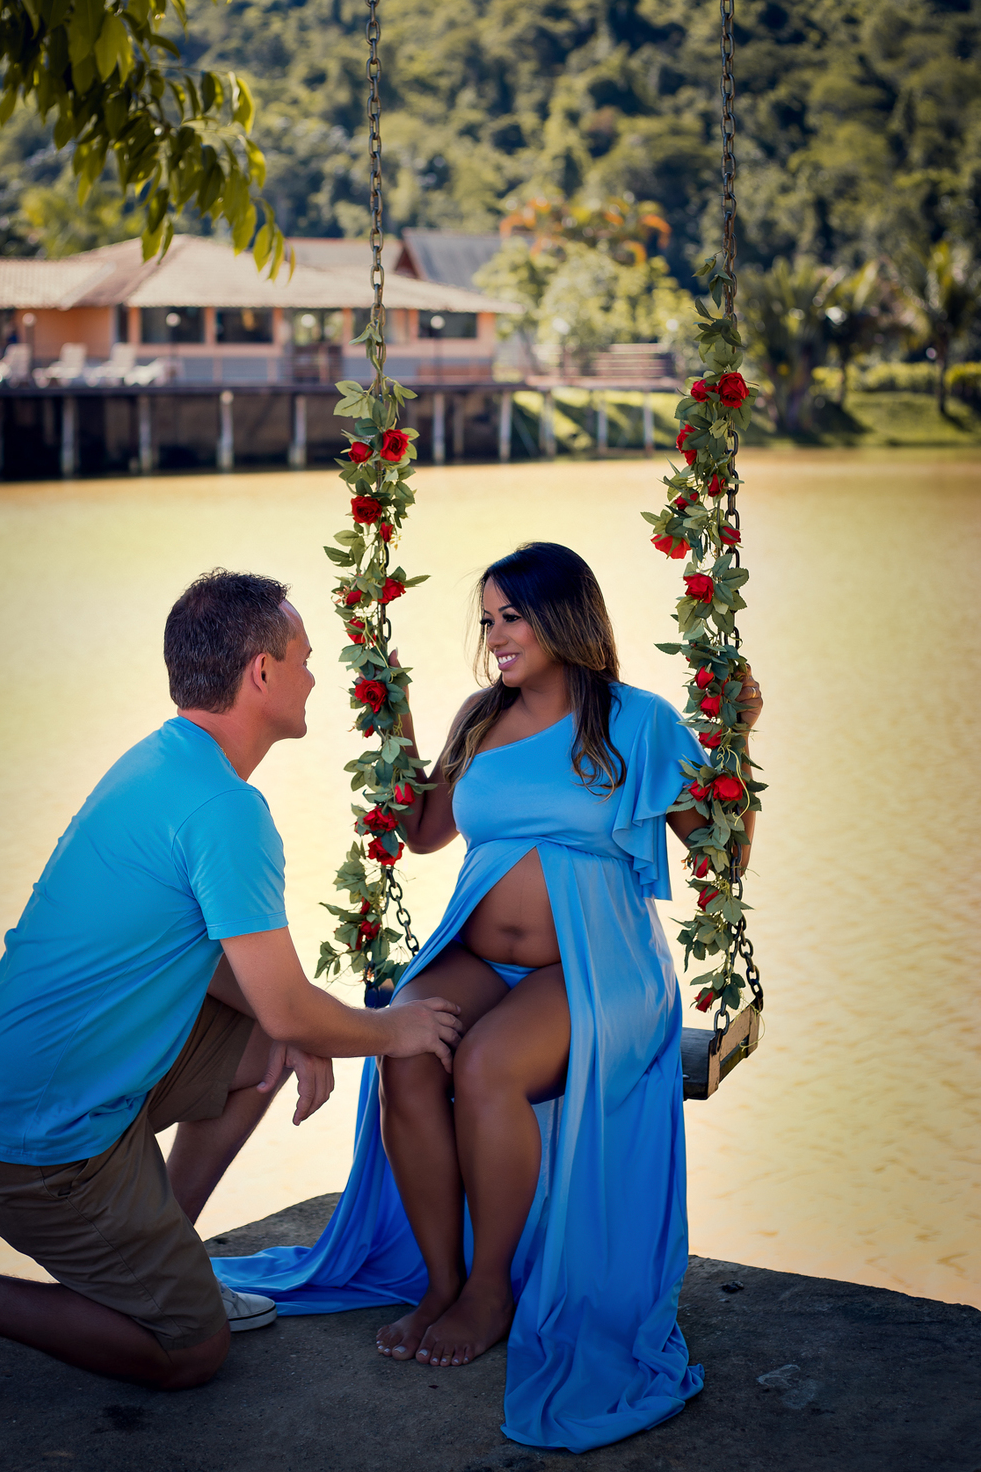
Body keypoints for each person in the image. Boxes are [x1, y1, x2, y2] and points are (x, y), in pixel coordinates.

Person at [0, 570, 462, 1415]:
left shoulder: (161, 760)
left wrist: (297, 1028)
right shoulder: (225, 809)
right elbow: (290, 1005)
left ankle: (169, 1265)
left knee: (274, 1038)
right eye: (302, 657)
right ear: (261, 673)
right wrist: (395, 1029)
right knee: (189, 1351)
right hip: (33, 1142)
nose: (314, 675)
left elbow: (225, 973)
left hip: (11, 1089)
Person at [207, 541, 763, 1456]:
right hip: (474, 952)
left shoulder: (638, 722)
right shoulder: (481, 716)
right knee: (405, 1045)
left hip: (592, 965)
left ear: (564, 619)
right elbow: (425, 831)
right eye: (488, 620)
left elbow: (723, 854)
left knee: (487, 1066)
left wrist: (738, 741)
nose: (496, 636)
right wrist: (394, 718)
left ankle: (491, 1287)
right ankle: (441, 1279)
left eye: (513, 618)